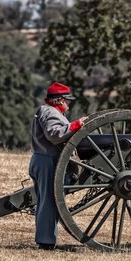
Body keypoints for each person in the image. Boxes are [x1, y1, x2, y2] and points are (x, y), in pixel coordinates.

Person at [29, 82, 88, 250]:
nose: (68, 104)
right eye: (67, 100)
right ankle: (46, 241)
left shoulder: (49, 111)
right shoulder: (49, 112)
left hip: (44, 159)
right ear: (59, 100)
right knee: (48, 201)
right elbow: (55, 135)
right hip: (47, 160)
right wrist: (76, 125)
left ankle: (46, 238)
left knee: (47, 200)